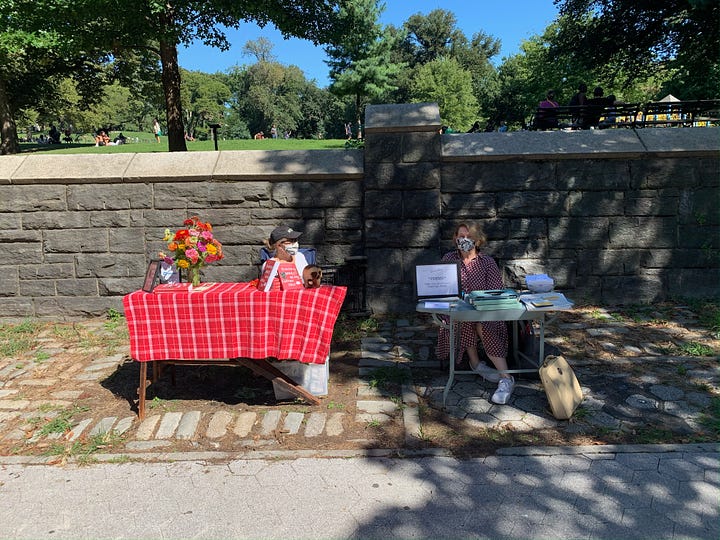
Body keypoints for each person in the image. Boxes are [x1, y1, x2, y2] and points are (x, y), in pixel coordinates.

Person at [436, 223, 514, 405]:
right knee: (462, 320)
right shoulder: (448, 258)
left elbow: (496, 291)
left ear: (477, 240)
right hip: (457, 310)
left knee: (482, 324)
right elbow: (440, 285)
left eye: (467, 237)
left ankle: (506, 378)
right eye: (460, 236)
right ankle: (476, 363)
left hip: (484, 310)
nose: (463, 240)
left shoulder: (486, 262)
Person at [257, 225, 308, 292]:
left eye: (295, 240)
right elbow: (267, 288)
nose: (295, 243)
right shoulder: (269, 265)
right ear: (278, 245)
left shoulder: (300, 257)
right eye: (289, 241)